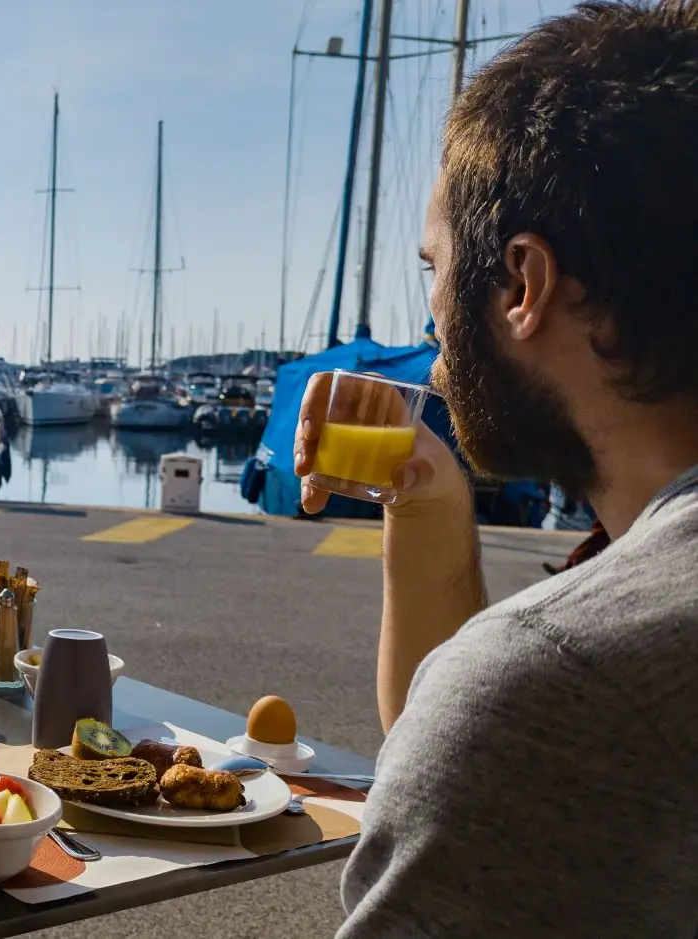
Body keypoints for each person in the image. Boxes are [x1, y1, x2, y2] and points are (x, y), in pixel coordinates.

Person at [294, 2, 698, 935]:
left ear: (521, 283)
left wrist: (502, 680)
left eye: (432, 268)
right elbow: (445, 778)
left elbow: (494, 754)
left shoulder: (562, 684)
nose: (432, 335)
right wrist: (429, 502)